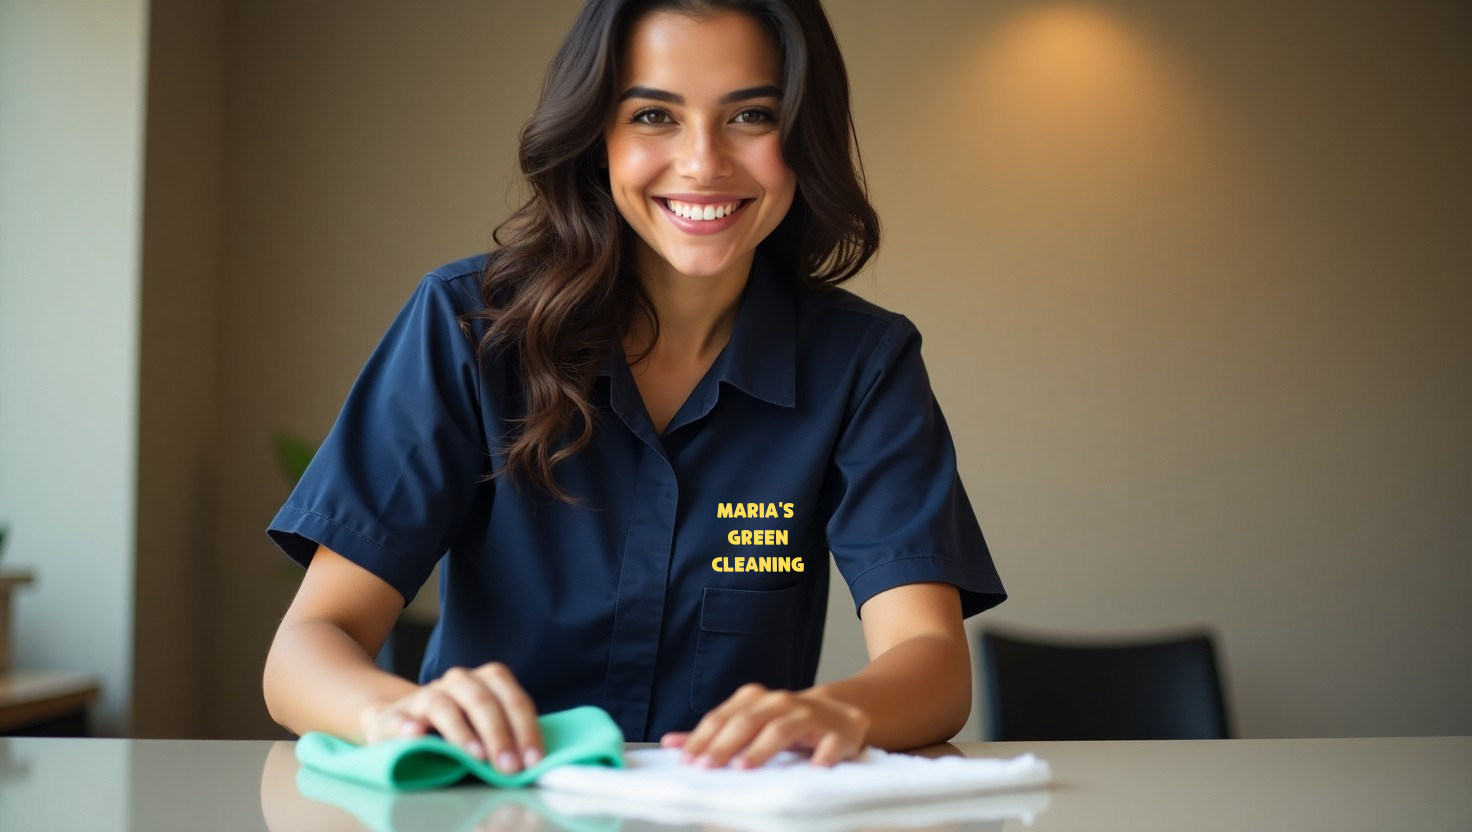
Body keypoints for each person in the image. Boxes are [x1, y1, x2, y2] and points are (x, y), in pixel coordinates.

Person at [263, 0, 1004, 774]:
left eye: (751, 114)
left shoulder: (863, 363)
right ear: (597, 138)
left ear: (802, 135)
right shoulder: (467, 325)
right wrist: (390, 712)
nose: (703, 162)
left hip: (725, 818)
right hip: (492, 812)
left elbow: (930, 657)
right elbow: (307, 647)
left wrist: (833, 710)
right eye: (655, 115)